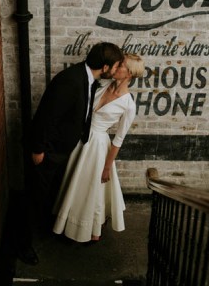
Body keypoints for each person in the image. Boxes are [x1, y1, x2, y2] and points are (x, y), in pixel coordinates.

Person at [17, 42, 124, 264]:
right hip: (47, 151)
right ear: (104, 67)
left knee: (49, 193)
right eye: (114, 67)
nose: (115, 72)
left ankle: (45, 227)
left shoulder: (90, 80)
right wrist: (38, 150)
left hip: (64, 150)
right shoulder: (71, 81)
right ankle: (22, 245)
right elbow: (47, 116)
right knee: (33, 197)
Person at [52, 53, 145, 243]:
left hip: (98, 146)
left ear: (130, 74)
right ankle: (66, 221)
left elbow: (119, 139)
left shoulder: (128, 105)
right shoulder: (101, 85)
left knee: (92, 189)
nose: (115, 67)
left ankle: (91, 227)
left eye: (121, 66)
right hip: (79, 140)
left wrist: (107, 167)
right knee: (73, 182)